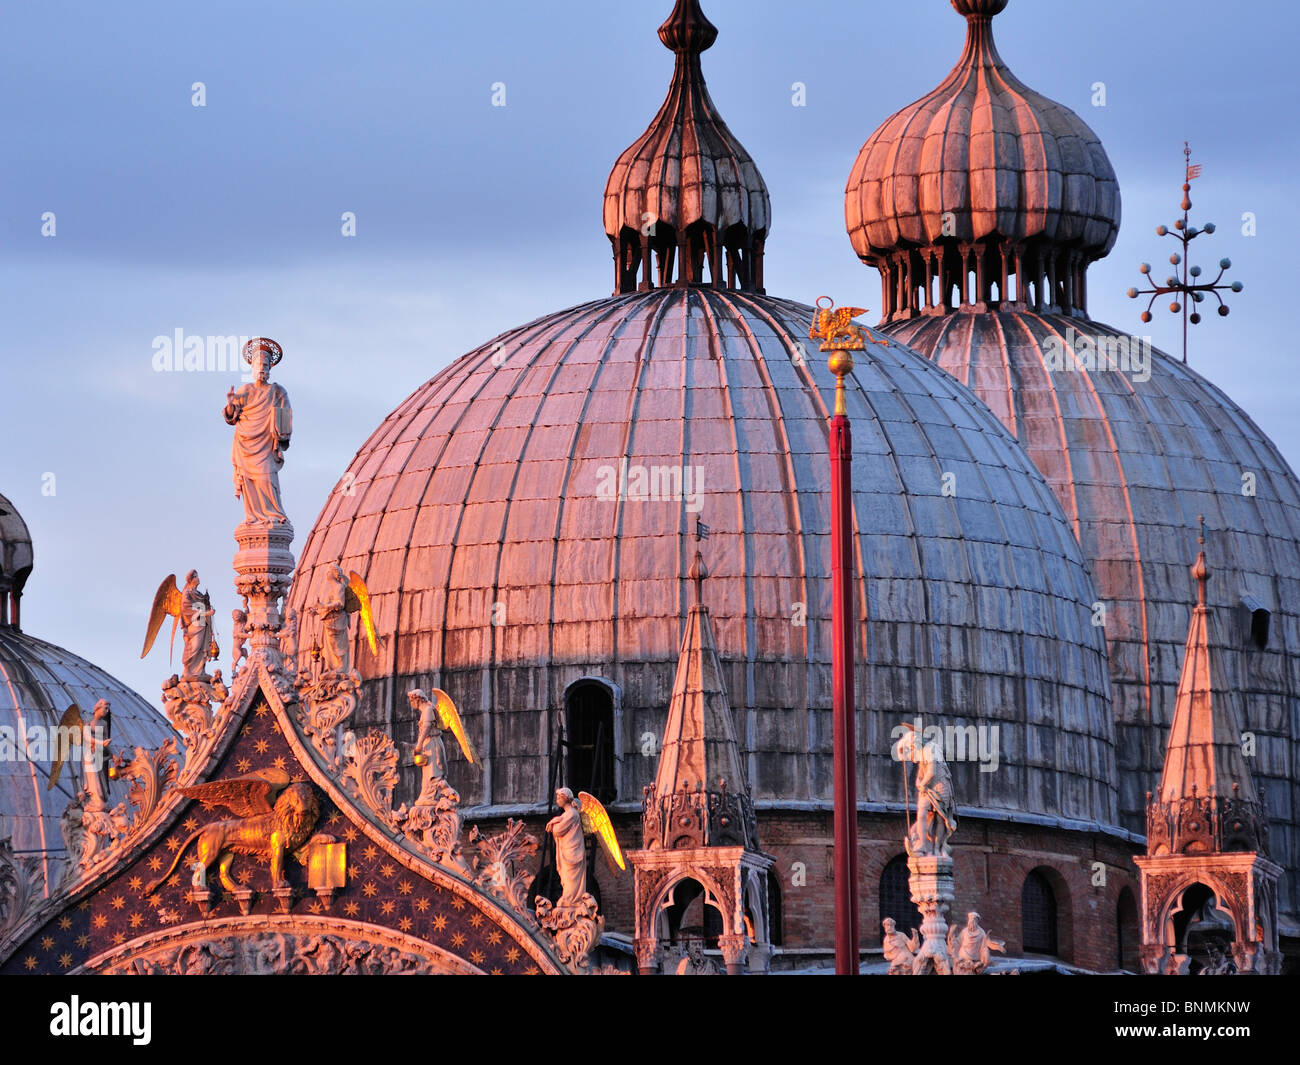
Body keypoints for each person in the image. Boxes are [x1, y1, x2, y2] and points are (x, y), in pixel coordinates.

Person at [224, 338, 292, 525]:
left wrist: (280, 429)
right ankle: (253, 518)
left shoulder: (278, 392)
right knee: (251, 486)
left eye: (265, 365)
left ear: (270, 368)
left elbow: (285, 417)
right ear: (252, 368)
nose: (261, 368)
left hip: (267, 447)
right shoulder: (245, 390)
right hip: (246, 446)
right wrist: (230, 404)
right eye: (258, 364)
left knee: (267, 480)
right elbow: (232, 416)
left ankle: (274, 516)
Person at [545, 787, 587, 907]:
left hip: (572, 853)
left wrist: (554, 822)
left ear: (565, 798)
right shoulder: (567, 814)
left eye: (559, 797)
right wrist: (557, 819)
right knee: (567, 878)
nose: (557, 799)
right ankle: (570, 899)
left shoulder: (572, 814)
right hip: (568, 851)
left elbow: (558, 830)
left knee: (571, 878)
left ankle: (572, 900)